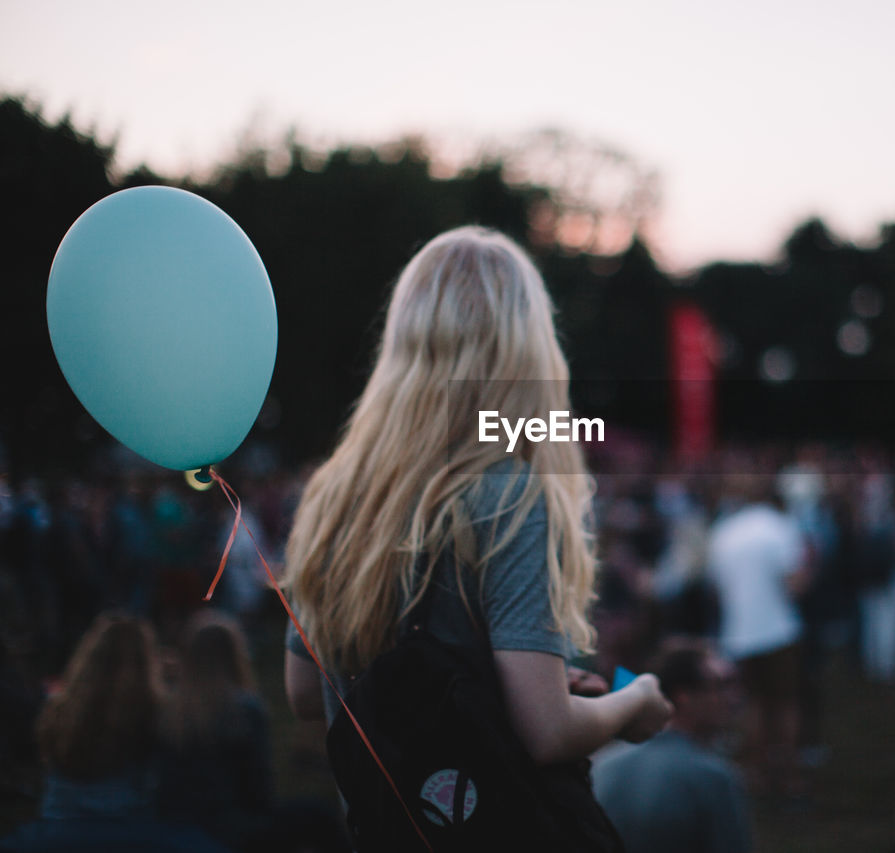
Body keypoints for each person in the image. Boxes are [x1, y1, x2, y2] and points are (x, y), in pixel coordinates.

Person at [280, 228, 671, 803]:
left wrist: (512, 681)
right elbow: (549, 733)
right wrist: (635, 702)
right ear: (527, 349)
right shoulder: (510, 494)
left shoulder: (335, 490)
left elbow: (301, 691)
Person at [2, 612, 230, 852]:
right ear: (148, 660)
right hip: (131, 830)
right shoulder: (158, 713)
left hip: (60, 826)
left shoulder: (59, 709)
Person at [705, 473, 809, 798]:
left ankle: (754, 774)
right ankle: (787, 774)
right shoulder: (780, 527)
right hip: (778, 631)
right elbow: (793, 585)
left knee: (752, 705)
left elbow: (717, 589)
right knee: (786, 704)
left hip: (738, 635)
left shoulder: (723, 532)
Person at [593, 639, 752, 853]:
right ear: (684, 696)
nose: (735, 697)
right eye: (722, 685)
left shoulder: (602, 765)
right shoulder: (712, 777)